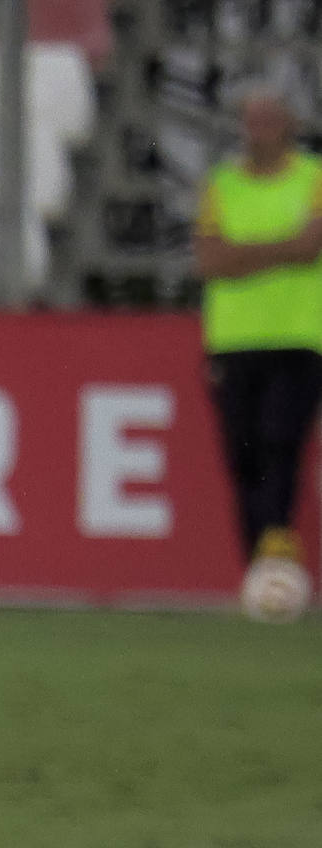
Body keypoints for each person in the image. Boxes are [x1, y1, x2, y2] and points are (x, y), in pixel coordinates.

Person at [194, 84, 322, 604]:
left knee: (279, 445)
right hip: (233, 340)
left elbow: (310, 248)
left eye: (268, 120)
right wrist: (282, 249)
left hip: (298, 337)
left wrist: (240, 256)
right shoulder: (221, 184)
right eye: (251, 121)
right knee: (242, 457)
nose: (257, 132)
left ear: (289, 126)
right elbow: (208, 261)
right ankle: (261, 572)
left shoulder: (313, 179)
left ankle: (275, 561)